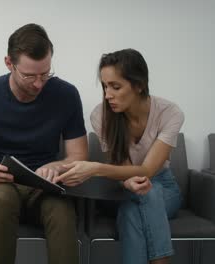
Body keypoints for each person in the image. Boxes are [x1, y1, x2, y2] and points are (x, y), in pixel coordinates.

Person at [0, 23, 88, 264]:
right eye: (29, 75)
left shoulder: (66, 95)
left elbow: (79, 155)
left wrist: (57, 167)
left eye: (45, 74)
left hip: (45, 188)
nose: (39, 84)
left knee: (62, 210)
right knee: (2, 198)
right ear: (9, 63)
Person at [56, 48, 184, 264]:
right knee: (137, 203)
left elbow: (147, 171)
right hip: (121, 188)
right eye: (105, 86)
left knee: (137, 205)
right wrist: (126, 182)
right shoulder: (101, 115)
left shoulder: (170, 113)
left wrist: (95, 168)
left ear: (139, 85)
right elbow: (124, 169)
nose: (107, 95)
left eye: (115, 87)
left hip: (163, 187)